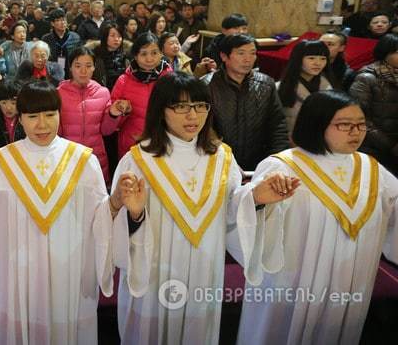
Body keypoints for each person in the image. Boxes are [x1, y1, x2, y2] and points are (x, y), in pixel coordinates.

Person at [0, 80, 136, 344]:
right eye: (32, 116)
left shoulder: (83, 161)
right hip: (18, 270)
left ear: (60, 114)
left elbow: (99, 217)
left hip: (68, 269)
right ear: (20, 118)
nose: (42, 124)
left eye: (49, 114)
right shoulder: (3, 161)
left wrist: (114, 202)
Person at [112, 73, 298, 345]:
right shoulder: (138, 160)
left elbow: (233, 210)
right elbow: (116, 218)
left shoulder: (221, 157)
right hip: (154, 270)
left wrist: (256, 198)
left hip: (204, 268)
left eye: (201, 106)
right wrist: (135, 214)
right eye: (181, 107)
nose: (193, 116)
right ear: (160, 110)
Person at [236, 90, 398, 345]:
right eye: (344, 125)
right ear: (317, 123)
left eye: (361, 124)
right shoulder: (282, 166)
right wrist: (257, 200)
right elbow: (246, 213)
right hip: (293, 279)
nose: (356, 132)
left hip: (352, 279)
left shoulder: (370, 168)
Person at [208, 34, 289, 172]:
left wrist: (276, 161)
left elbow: (278, 125)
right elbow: (204, 130)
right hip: (219, 164)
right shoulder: (207, 85)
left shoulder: (266, 84)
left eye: (253, 53)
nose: (248, 59)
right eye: (241, 53)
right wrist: (225, 161)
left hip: (260, 164)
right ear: (224, 56)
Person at [57, 46, 126, 182]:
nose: (83, 71)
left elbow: (106, 131)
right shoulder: (58, 93)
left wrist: (113, 114)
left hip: (96, 158)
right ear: (70, 67)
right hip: (67, 157)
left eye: (88, 66)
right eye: (78, 66)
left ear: (94, 67)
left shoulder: (103, 92)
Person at [111, 32, 172, 156]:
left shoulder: (170, 79)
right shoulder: (124, 81)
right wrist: (122, 111)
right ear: (136, 56)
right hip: (132, 144)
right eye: (143, 54)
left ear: (161, 53)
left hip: (164, 142)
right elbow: (111, 124)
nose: (149, 59)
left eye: (154, 53)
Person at [349, 33, 398, 173]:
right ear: (384, 53)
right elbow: (359, 117)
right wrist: (390, 145)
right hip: (374, 145)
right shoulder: (367, 78)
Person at [276, 40, 335, 137]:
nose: (318, 63)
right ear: (298, 59)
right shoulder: (279, 88)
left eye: (323, 59)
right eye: (311, 58)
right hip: (290, 143)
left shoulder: (329, 86)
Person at [87, 21, 131, 91]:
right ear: (105, 37)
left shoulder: (126, 57)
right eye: (112, 36)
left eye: (119, 36)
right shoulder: (95, 56)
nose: (116, 39)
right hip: (100, 93)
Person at [42, 8, 81, 74]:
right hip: (52, 73)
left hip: (72, 72)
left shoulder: (75, 37)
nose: (62, 22)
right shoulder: (46, 39)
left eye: (63, 20)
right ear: (52, 23)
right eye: (58, 20)